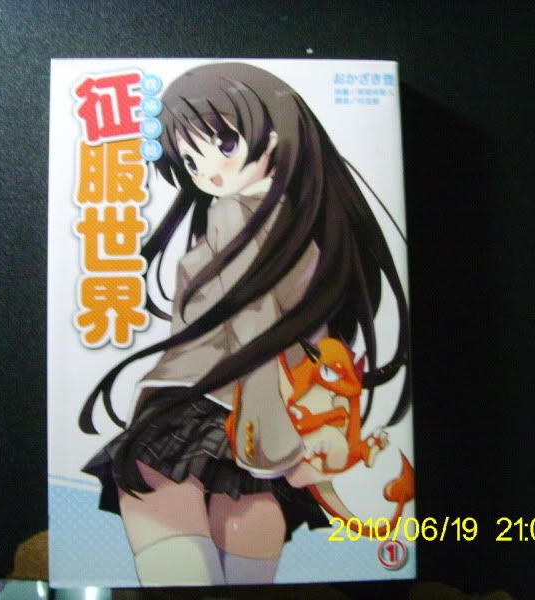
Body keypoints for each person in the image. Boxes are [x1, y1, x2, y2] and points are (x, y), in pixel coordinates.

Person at [79, 62, 410, 585]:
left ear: (272, 137)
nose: (209, 173)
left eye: (225, 144)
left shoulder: (236, 213)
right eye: (191, 161)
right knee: (245, 571)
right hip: (262, 424)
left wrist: (277, 443)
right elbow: (304, 341)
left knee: (172, 544)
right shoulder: (303, 227)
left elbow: (255, 330)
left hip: (222, 410)